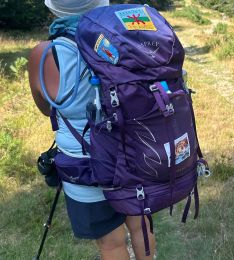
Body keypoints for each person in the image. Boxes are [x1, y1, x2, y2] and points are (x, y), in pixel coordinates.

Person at [28, 1, 155, 259]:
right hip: (131, 151)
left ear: (54, 8)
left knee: (112, 244)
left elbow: (47, 109)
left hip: (84, 166)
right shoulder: (124, 39)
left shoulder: (43, 54)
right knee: (140, 226)